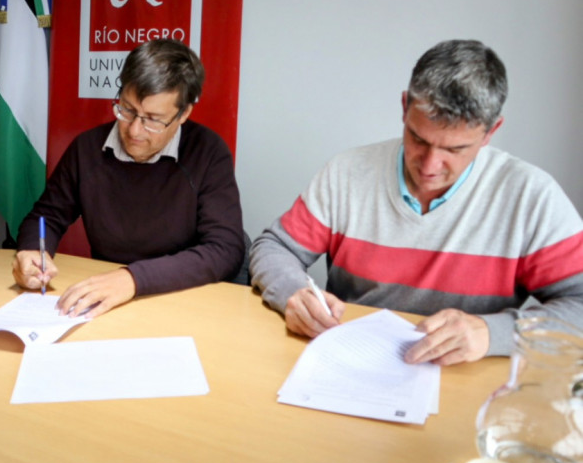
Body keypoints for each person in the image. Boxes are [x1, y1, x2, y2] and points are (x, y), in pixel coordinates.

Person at [250, 39, 583, 365]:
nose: (429, 166)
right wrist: (293, 293)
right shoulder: (347, 173)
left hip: (470, 385)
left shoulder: (531, 197)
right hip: (354, 364)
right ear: (404, 106)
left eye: (455, 150)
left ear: (491, 132)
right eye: (418, 139)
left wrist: (492, 332)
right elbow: (274, 247)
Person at [12, 38, 245, 318]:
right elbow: (47, 216)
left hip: (182, 296)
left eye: (153, 119)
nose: (135, 130)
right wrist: (32, 252)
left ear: (183, 114)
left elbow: (225, 250)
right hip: (111, 301)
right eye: (127, 109)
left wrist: (133, 279)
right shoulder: (87, 148)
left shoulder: (207, 151)